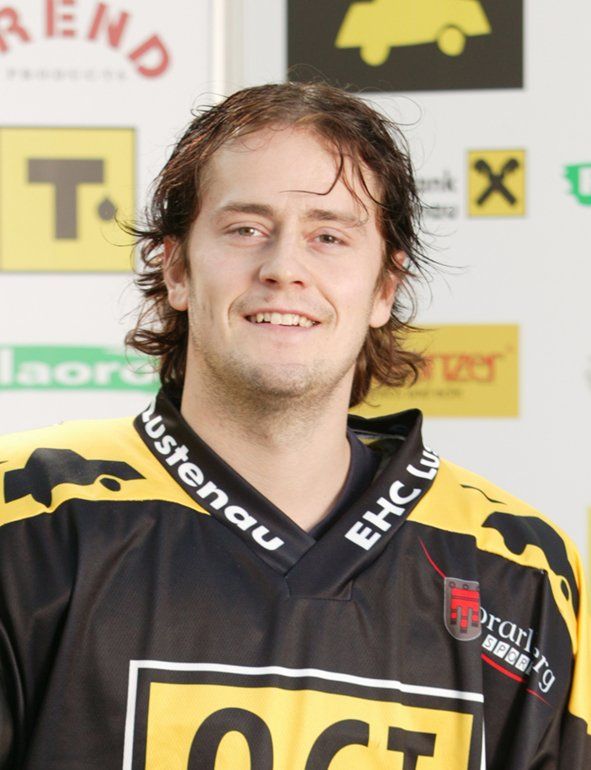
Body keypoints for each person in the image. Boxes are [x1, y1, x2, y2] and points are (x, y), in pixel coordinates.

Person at [0, 82, 589, 770]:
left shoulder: (517, 568)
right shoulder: (28, 521)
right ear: (177, 269)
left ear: (384, 288)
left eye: (328, 236)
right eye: (245, 229)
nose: (283, 268)